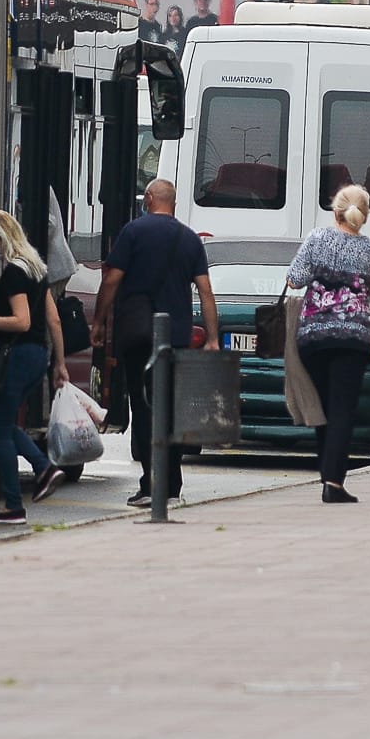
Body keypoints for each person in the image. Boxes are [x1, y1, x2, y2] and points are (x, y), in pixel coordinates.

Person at [89, 179, 220, 507]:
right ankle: (172, 486)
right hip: (175, 340)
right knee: (171, 409)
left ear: (148, 198)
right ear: (173, 203)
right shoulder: (190, 239)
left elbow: (112, 279)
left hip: (138, 336)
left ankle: (151, 485)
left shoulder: (133, 232)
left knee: (144, 407)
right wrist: (213, 338)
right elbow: (205, 290)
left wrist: (100, 321)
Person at [285, 184, 370, 504]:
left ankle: (328, 476)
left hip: (314, 337)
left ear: (336, 211)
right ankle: (333, 482)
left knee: (323, 407)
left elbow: (295, 279)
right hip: (353, 339)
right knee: (342, 409)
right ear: (364, 217)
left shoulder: (316, 239)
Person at [0, 209, 70, 524]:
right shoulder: (36, 269)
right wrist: (59, 363)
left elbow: (22, 321)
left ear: (0, 237)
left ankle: (17, 500)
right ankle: (38, 472)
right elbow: (53, 320)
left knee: (0, 426)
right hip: (36, 355)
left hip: (15, 355)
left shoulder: (15, 274)